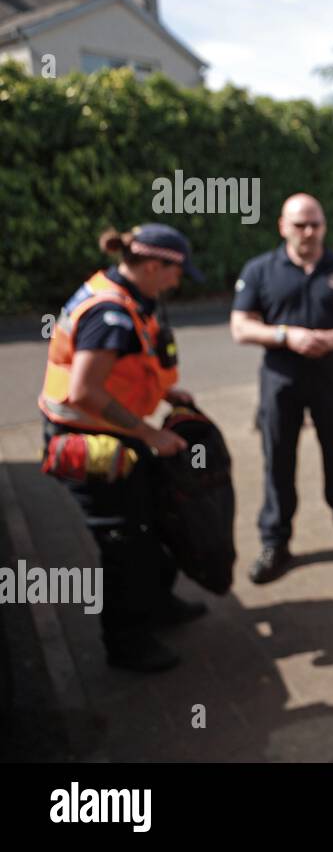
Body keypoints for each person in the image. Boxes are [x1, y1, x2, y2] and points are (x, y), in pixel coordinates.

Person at [38, 224, 207, 672]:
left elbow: (132, 365)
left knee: (152, 515)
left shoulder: (126, 295)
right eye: (175, 272)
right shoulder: (108, 314)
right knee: (125, 542)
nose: (177, 280)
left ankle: (158, 604)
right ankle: (128, 643)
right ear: (153, 265)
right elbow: (85, 392)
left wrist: (166, 395)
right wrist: (151, 434)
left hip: (115, 432)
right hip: (88, 440)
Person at [230, 193, 333, 584]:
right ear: (283, 226)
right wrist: (287, 335)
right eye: (300, 224)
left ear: (324, 226)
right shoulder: (261, 270)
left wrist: (332, 338)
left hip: (331, 376)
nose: (309, 231)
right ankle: (275, 542)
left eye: (315, 223)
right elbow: (241, 326)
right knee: (277, 459)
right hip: (281, 378)